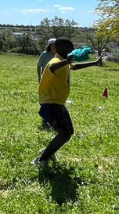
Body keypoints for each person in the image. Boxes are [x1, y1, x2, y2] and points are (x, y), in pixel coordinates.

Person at [34, 37, 105, 166]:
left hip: (59, 103)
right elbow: (52, 67)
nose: (72, 50)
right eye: (69, 48)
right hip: (50, 103)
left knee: (68, 132)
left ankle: (49, 152)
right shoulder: (55, 61)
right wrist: (66, 61)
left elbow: (75, 66)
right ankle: (41, 159)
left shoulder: (64, 61)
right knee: (65, 133)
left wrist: (94, 63)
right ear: (60, 49)